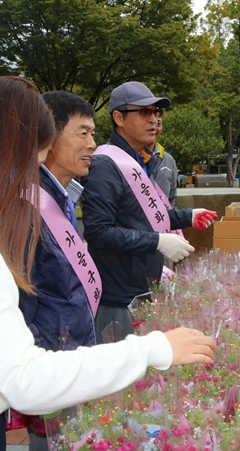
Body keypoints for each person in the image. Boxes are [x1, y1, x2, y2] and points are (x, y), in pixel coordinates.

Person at [0, 76, 217, 451]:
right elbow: (25, 379)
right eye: (29, 163)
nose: (27, 183)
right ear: (1, 151)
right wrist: (153, 349)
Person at [81, 81, 216, 342]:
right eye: (144, 112)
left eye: (157, 112)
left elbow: (145, 215)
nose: (154, 119)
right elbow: (98, 233)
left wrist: (187, 216)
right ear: (119, 117)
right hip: (118, 297)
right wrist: (158, 241)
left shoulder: (140, 160)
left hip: (144, 287)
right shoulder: (105, 165)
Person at [13, 90, 99, 450]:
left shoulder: (62, 198)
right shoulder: (25, 207)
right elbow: (20, 301)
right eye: (83, 133)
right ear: (48, 137)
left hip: (68, 365)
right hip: (49, 373)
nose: (93, 144)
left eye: (93, 134)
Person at [151, 115, 179, 206]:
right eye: (151, 123)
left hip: (162, 218)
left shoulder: (169, 160)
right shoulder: (128, 158)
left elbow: (172, 198)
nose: (154, 128)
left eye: (158, 124)